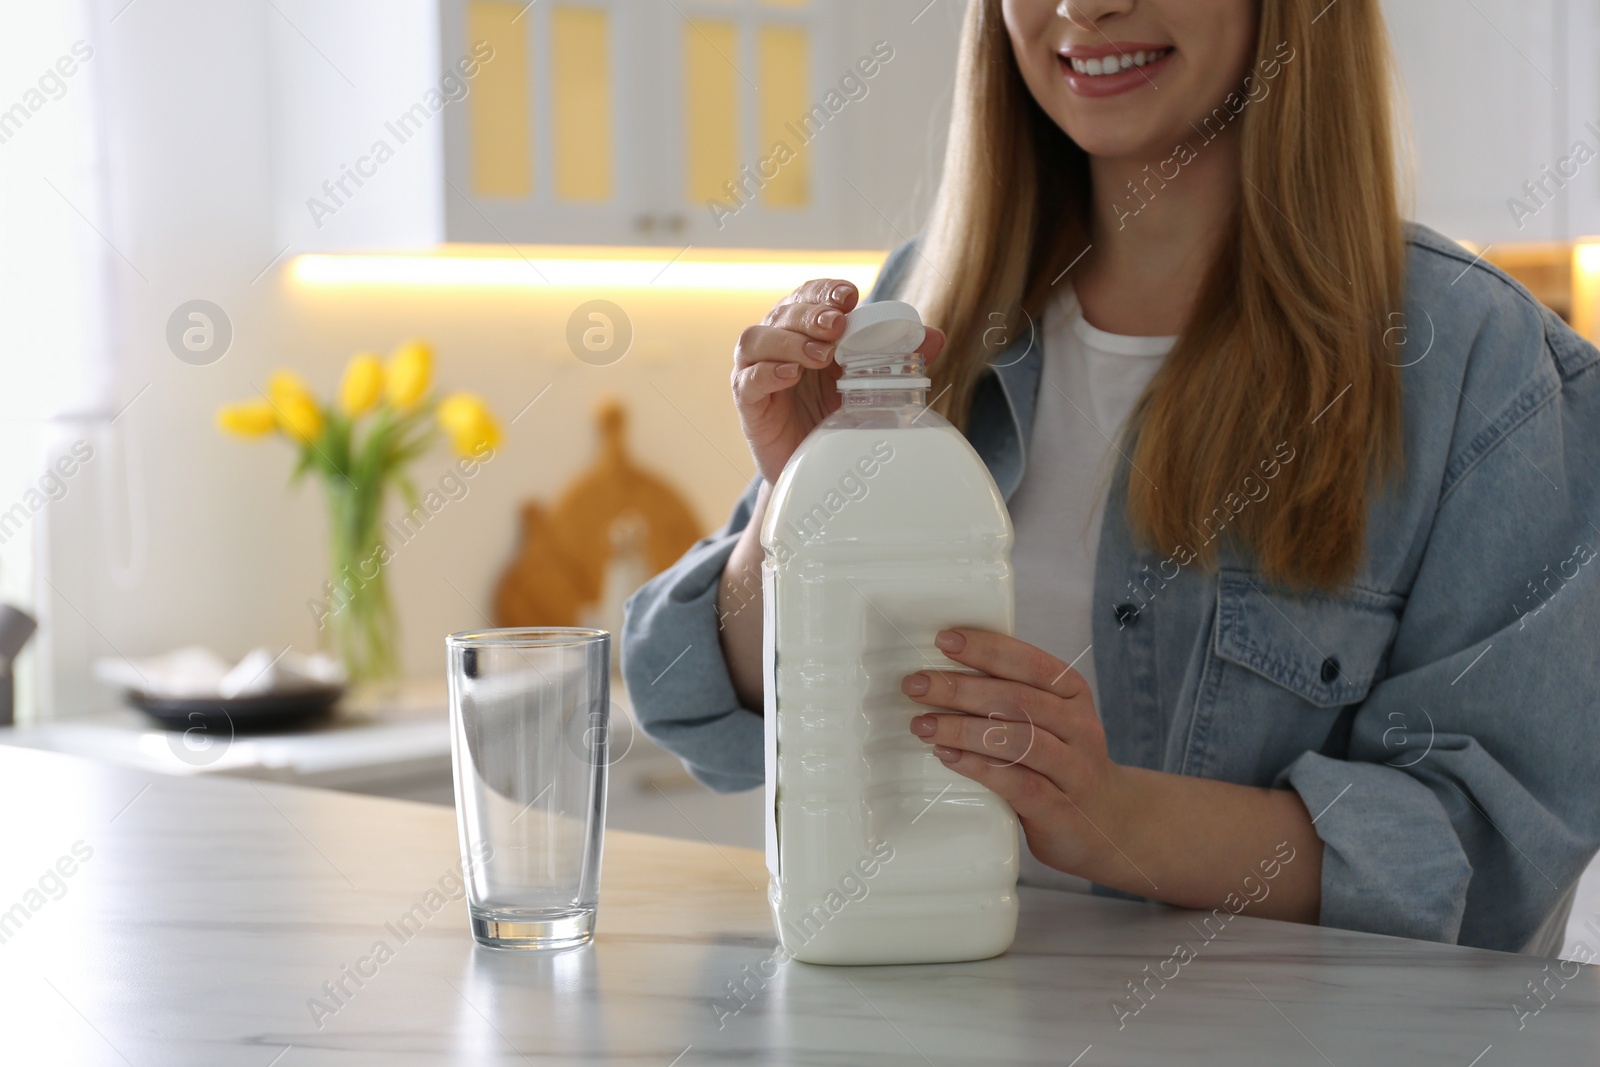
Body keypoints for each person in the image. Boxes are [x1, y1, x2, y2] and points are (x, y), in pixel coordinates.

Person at [622, 0, 1600, 955]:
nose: (1085, 8)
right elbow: (697, 712)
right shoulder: (920, 308)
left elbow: (1489, 864)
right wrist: (798, 507)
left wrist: (1111, 813)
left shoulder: (1479, 366)